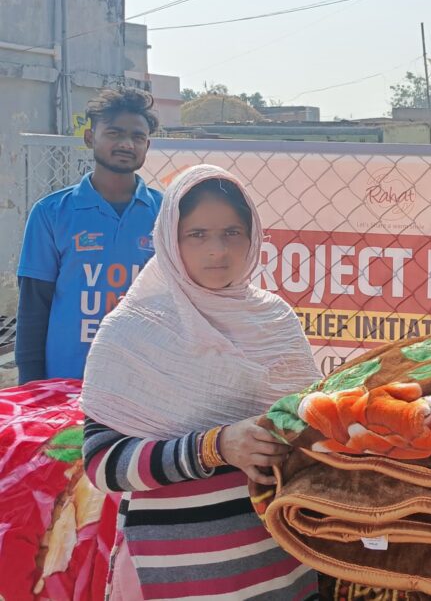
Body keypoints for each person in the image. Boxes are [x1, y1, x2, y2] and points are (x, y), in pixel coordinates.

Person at [81, 165, 322, 600]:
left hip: (279, 562)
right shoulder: (134, 330)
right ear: (171, 239)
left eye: (232, 232)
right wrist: (216, 446)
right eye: (197, 235)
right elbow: (104, 465)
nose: (217, 250)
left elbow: (311, 429)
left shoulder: (275, 321)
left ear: (253, 238)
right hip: (175, 573)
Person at [16, 88, 163, 383]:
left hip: (144, 381)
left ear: (147, 146)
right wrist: (31, 384)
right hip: (68, 381)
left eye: (137, 137)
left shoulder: (167, 213)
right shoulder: (51, 212)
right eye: (114, 133)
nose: (126, 144)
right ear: (89, 138)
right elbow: (34, 306)